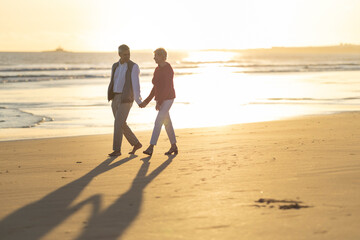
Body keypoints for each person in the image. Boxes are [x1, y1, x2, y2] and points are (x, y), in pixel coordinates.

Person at [139, 48, 178, 156]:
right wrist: (147, 101)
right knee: (167, 123)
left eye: (156, 56)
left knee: (158, 121)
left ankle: (151, 147)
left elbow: (166, 88)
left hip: (169, 98)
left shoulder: (168, 70)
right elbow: (155, 88)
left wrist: (159, 102)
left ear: (162, 56)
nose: (154, 58)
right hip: (161, 99)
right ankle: (174, 146)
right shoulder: (157, 69)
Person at [107, 44, 143, 156]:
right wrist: (111, 95)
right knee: (121, 124)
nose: (127, 56)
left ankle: (117, 150)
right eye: (124, 54)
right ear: (119, 54)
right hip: (115, 97)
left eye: (129, 54)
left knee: (118, 123)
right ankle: (136, 143)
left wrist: (139, 101)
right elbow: (113, 81)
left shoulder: (133, 66)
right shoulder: (115, 66)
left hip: (126, 98)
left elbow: (136, 85)